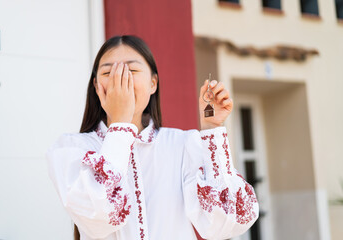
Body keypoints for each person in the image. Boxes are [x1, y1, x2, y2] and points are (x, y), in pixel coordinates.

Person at [46, 35, 259, 240]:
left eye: (132, 69)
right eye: (108, 72)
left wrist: (212, 128)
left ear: (153, 84)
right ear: (95, 87)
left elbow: (226, 222)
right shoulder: (73, 149)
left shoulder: (182, 145)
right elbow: (99, 215)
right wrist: (120, 123)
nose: (122, 79)